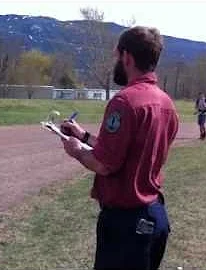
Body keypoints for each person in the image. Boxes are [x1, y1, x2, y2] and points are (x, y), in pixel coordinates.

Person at [60, 26, 178, 270]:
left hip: (126, 224)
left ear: (127, 57)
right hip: (154, 215)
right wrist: (84, 135)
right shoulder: (166, 103)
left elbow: (105, 164)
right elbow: (130, 149)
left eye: (117, 56)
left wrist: (76, 150)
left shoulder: (124, 101)